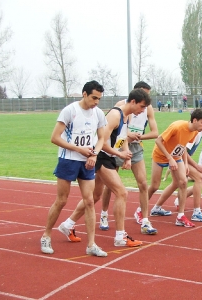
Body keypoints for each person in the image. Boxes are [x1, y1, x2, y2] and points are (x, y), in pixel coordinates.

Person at [58, 88, 152, 249]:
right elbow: (101, 140)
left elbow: (122, 137)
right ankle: (120, 236)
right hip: (100, 156)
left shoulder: (127, 115)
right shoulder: (115, 115)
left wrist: (125, 152)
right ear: (133, 102)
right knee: (122, 193)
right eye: (142, 107)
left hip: (107, 156)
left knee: (94, 197)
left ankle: (68, 224)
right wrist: (115, 154)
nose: (143, 111)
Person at [40, 80, 108, 257]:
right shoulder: (70, 111)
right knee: (62, 200)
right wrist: (79, 149)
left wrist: (94, 154)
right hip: (68, 159)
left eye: (99, 99)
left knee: (90, 201)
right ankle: (46, 235)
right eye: (94, 98)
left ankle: (91, 244)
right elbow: (54, 138)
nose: (96, 102)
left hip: (87, 161)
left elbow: (101, 137)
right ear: (84, 94)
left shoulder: (98, 114)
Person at [100, 81, 159, 235]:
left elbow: (155, 133)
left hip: (135, 147)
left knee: (143, 184)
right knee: (110, 185)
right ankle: (104, 214)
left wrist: (139, 137)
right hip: (117, 146)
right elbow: (112, 131)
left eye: (147, 94)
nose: (145, 97)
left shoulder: (148, 108)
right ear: (134, 94)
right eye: (143, 93)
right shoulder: (120, 106)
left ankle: (145, 220)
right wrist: (126, 138)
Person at [146, 109, 202, 228]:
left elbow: (183, 146)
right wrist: (169, 158)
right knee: (155, 186)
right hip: (160, 156)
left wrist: (185, 163)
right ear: (195, 120)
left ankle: (180, 216)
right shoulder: (177, 126)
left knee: (183, 182)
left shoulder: (194, 132)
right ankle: (140, 210)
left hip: (176, 156)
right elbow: (158, 140)